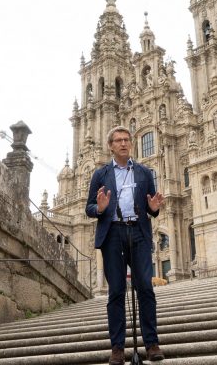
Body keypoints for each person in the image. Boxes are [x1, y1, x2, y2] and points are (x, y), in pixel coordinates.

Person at [86, 126, 165, 364]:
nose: (123, 143)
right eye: (118, 140)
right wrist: (99, 208)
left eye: (126, 140)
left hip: (138, 232)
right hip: (113, 234)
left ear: (131, 143)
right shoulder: (100, 175)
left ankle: (151, 343)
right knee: (116, 292)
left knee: (146, 289)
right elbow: (89, 208)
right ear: (110, 145)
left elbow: (154, 206)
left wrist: (154, 208)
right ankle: (117, 348)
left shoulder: (144, 172)